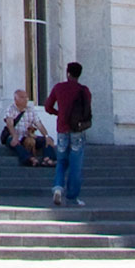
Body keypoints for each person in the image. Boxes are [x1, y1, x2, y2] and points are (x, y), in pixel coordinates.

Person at [43, 62, 93, 207]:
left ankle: (58, 188)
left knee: (61, 161)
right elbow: (87, 110)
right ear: (79, 74)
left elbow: (47, 106)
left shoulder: (59, 88)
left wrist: (59, 114)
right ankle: (72, 197)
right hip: (78, 130)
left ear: (68, 73)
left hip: (62, 129)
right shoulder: (84, 90)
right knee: (75, 165)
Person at [1, 89, 57, 167]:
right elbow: (9, 124)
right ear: (15, 99)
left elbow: (39, 124)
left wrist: (46, 136)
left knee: (47, 140)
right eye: (22, 97)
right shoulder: (11, 109)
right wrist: (14, 136)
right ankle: (29, 158)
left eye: (26, 97)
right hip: (15, 136)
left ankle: (48, 159)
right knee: (15, 142)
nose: (25, 99)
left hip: (27, 137)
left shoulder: (30, 110)